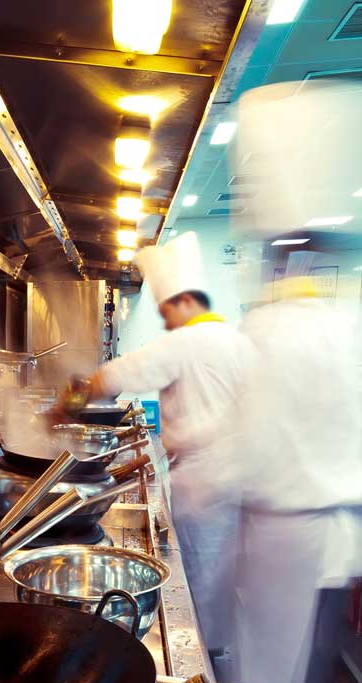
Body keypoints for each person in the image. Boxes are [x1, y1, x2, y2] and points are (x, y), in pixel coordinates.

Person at [215, 261, 362, 683]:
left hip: (279, 531)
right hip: (329, 531)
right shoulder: (335, 327)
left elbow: (243, 442)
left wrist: (205, 482)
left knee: (263, 680)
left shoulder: (265, 329)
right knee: (312, 670)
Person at [87, 231, 254, 656]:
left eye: (164, 312)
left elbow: (111, 377)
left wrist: (63, 406)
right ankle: (216, 652)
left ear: (182, 301)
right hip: (232, 479)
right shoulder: (235, 341)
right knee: (219, 577)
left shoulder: (187, 342)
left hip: (201, 482)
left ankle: (204, 668)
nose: (164, 322)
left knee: (199, 577)